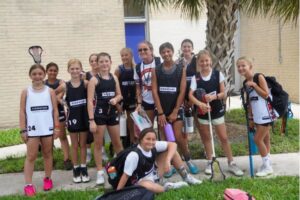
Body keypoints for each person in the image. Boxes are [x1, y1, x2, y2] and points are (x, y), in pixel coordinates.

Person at [189, 50, 244, 176]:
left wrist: (213, 97)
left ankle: (231, 163)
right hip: (203, 112)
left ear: (211, 61)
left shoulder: (218, 74)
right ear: (198, 62)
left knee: (223, 138)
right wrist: (200, 104)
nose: (204, 63)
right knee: (207, 138)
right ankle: (210, 161)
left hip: (217, 111)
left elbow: (223, 93)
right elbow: (190, 95)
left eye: (207, 60)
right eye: (202, 61)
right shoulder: (195, 78)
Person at [152, 42, 199, 175]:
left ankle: (188, 160)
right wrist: (160, 113)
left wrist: (175, 110)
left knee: (178, 137)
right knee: (165, 139)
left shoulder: (180, 69)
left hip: (176, 109)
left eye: (168, 51)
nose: (166, 54)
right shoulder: (156, 70)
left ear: (172, 52)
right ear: (160, 54)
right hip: (162, 110)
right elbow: (154, 91)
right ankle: (169, 165)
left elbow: (182, 90)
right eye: (163, 52)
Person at [117, 127, 202, 194]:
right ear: (141, 140)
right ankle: (167, 188)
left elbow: (173, 145)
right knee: (145, 186)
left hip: (154, 175)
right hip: (141, 182)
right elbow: (125, 176)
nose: (151, 142)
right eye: (148, 139)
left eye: (153, 139)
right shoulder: (134, 155)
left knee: (172, 152)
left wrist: (168, 160)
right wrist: (118, 194)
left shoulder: (153, 145)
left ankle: (186, 177)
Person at [19, 64, 60, 196]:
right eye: (34, 74)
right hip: (32, 130)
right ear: (30, 75)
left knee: (48, 154)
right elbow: (22, 111)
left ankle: (47, 179)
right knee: (31, 156)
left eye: (40, 74)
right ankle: (28, 184)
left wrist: (57, 127)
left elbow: (55, 110)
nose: (37, 76)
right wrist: (23, 129)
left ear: (44, 75)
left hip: (47, 128)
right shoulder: (26, 91)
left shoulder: (50, 91)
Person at [237, 56, 276, 177]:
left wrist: (254, 85)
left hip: (266, 114)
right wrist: (250, 118)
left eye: (243, 65)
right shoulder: (245, 83)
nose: (240, 68)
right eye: (238, 66)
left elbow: (265, 95)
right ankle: (266, 162)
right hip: (257, 115)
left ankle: (268, 167)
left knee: (257, 139)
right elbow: (249, 102)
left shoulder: (259, 77)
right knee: (265, 138)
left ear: (250, 67)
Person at [88, 52, 124, 185]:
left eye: (106, 61)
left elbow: (119, 95)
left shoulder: (114, 78)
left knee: (117, 144)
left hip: (112, 113)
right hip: (99, 115)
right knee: (98, 145)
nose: (104, 64)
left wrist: (115, 99)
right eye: (101, 61)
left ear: (110, 62)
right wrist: (91, 120)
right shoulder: (94, 80)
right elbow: (89, 101)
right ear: (97, 63)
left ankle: (120, 169)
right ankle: (99, 172)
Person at [58, 59, 90, 183]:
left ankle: (83, 167)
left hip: (84, 116)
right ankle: (76, 169)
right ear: (68, 70)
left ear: (81, 69)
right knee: (75, 145)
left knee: (83, 145)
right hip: (72, 118)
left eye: (77, 68)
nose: (75, 71)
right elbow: (54, 95)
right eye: (72, 69)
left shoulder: (86, 83)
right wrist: (63, 102)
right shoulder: (65, 85)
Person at [45, 62, 72, 170]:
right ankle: (49, 160)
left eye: (55, 70)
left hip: (59, 112)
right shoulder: (43, 83)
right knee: (48, 138)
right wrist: (55, 95)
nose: (52, 72)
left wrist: (53, 96)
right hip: (46, 113)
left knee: (62, 136)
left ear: (57, 72)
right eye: (50, 70)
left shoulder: (61, 82)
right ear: (46, 71)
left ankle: (66, 160)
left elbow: (57, 100)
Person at [84, 53, 109, 163]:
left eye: (95, 60)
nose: (94, 63)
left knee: (100, 131)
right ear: (90, 63)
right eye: (92, 61)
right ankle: (88, 152)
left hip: (101, 106)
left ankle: (102, 151)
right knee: (89, 131)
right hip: (90, 105)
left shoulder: (102, 74)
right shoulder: (86, 75)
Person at [134, 41, 161, 124]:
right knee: (148, 128)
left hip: (161, 100)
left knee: (163, 130)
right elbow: (138, 87)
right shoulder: (138, 67)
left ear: (151, 50)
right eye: (140, 50)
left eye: (145, 49)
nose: (142, 52)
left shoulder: (159, 62)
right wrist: (139, 103)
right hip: (147, 101)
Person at [115, 48, 137, 145]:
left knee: (131, 121)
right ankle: (118, 143)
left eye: (126, 55)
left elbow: (138, 85)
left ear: (131, 55)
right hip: (121, 99)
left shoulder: (136, 68)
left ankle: (132, 141)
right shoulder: (119, 69)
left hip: (132, 99)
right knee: (119, 121)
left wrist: (137, 99)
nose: (124, 57)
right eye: (122, 55)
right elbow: (114, 86)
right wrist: (117, 103)